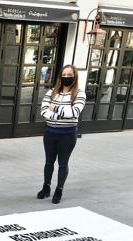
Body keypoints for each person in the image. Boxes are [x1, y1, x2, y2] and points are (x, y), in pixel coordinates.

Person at [37, 64, 86, 204]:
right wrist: (61, 114)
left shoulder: (79, 94)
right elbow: (44, 111)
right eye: (63, 75)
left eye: (69, 75)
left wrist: (55, 107)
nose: (66, 78)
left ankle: (59, 189)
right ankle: (46, 187)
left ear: (74, 77)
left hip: (67, 135)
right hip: (50, 133)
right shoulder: (51, 92)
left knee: (63, 164)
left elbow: (74, 113)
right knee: (48, 162)